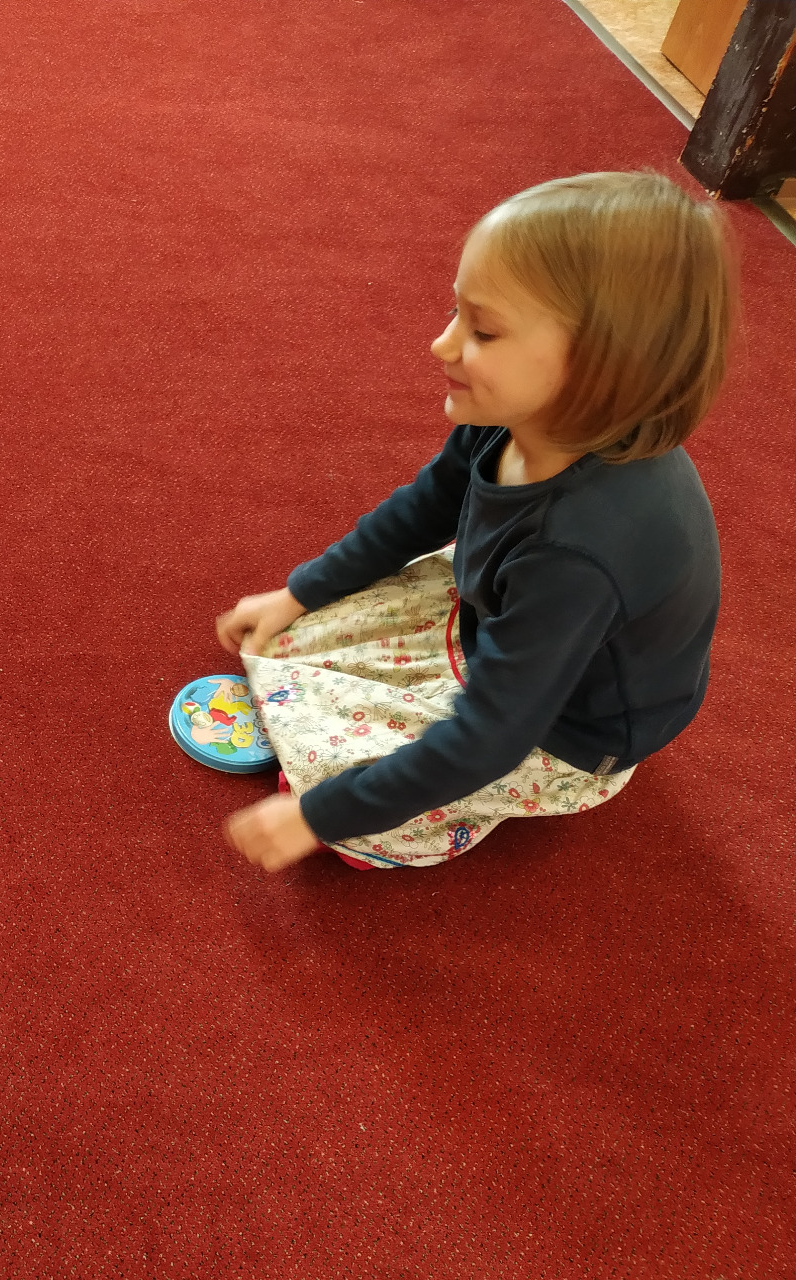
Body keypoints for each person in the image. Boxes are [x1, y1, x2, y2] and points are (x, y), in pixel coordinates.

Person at [216, 172, 734, 871]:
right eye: (455, 311)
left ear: (602, 367)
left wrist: (319, 815)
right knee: (295, 640)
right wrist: (300, 592)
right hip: (512, 626)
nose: (442, 343)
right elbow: (424, 507)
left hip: (569, 732)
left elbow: (491, 738)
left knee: (343, 795)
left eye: (483, 330)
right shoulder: (515, 415)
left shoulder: (577, 553)